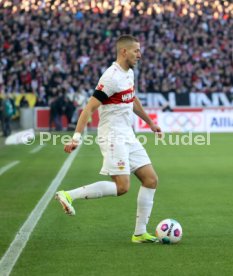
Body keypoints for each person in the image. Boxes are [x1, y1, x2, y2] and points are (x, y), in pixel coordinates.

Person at [55, 35, 162, 243]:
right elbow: (89, 108)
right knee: (122, 187)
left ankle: (140, 233)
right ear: (124, 52)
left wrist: (150, 122)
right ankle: (68, 195)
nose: (140, 55)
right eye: (136, 51)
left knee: (151, 180)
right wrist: (76, 137)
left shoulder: (129, 73)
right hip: (112, 135)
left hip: (128, 134)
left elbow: (132, 99)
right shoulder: (110, 77)